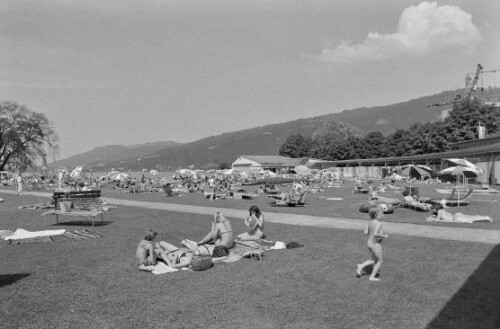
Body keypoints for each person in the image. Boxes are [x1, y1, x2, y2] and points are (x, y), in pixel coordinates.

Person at [356, 206, 389, 282]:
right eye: (382, 213)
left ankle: (361, 265)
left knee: (373, 260)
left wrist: (373, 231)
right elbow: (375, 234)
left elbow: (365, 232)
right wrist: (384, 236)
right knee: (380, 261)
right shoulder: (378, 223)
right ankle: (372, 277)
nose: (383, 214)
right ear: (376, 215)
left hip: (369, 243)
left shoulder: (370, 222)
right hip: (375, 245)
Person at [427, 204, 493, 223]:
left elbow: (438, 220)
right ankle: (485, 217)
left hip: (455, 218)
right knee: (472, 216)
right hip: (456, 215)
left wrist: (433, 219)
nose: (433, 209)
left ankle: (486, 217)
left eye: (434, 209)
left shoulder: (439, 212)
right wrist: (434, 216)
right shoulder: (442, 210)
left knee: (471, 219)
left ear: (436, 209)